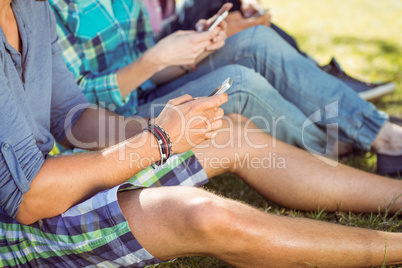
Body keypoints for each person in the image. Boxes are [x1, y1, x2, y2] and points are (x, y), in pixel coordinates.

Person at [4, 1, 402, 267]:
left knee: (229, 133)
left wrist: (162, 130)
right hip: (16, 228)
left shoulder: (30, 9)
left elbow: (70, 116)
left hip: (54, 172)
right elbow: (28, 201)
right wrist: (157, 142)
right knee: (203, 214)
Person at [49, 0, 402, 175]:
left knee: (255, 40)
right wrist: (153, 61)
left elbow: (147, 63)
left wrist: (191, 46)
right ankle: (332, 144)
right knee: (241, 83)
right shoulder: (47, 9)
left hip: (147, 92)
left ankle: (378, 130)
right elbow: (71, 110)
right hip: (118, 126)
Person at [156, 0, 396, 101]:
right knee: (255, 35)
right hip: (159, 63)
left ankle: (316, 71)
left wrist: (246, 10)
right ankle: (318, 73)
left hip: (168, 43)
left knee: (250, 25)